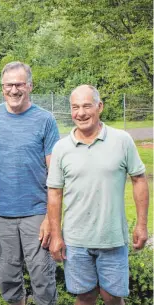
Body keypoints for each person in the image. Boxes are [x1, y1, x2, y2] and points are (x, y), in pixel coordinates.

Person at [47, 85, 149, 305]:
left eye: (86, 106)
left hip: (112, 237)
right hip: (75, 240)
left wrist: (141, 225)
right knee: (85, 296)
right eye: (75, 107)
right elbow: (54, 193)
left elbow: (139, 180)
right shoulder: (62, 148)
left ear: (99, 106)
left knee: (112, 297)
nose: (80, 113)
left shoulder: (122, 140)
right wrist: (56, 236)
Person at [0, 61, 59, 305]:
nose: (14, 90)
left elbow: (55, 173)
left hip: (36, 213)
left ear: (30, 85)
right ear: (2, 87)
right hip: (1, 212)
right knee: (8, 278)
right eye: (9, 85)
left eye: (19, 84)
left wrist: (51, 218)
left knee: (42, 276)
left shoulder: (45, 120)